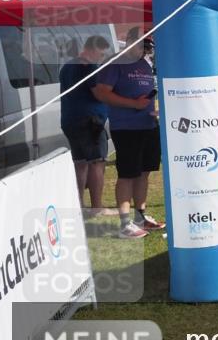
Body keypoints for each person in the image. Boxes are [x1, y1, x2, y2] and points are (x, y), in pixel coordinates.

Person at [92, 28, 165, 238]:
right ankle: (125, 224)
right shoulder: (115, 63)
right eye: (142, 45)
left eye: (148, 46)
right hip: (126, 128)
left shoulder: (144, 64)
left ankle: (140, 216)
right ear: (130, 41)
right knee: (127, 174)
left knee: (144, 172)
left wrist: (152, 108)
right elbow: (101, 92)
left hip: (149, 125)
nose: (145, 50)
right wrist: (133, 104)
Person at [60, 35, 118, 217]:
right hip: (90, 121)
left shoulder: (67, 66)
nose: (101, 58)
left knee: (80, 163)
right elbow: (99, 94)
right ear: (92, 49)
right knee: (97, 162)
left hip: (70, 119)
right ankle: (97, 207)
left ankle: (79, 205)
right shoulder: (90, 67)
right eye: (100, 54)